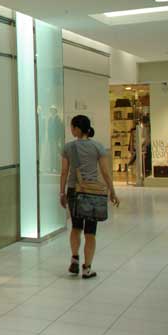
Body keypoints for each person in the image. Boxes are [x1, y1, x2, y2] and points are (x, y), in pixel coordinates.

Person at [59, 114, 120, 278]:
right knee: (90, 232)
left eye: (72, 127)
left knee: (76, 227)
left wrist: (62, 192)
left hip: (74, 190)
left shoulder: (68, 148)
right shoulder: (98, 147)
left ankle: (74, 258)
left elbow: (64, 172)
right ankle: (87, 268)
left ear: (77, 129)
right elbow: (105, 172)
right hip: (93, 192)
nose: (71, 130)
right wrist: (112, 191)